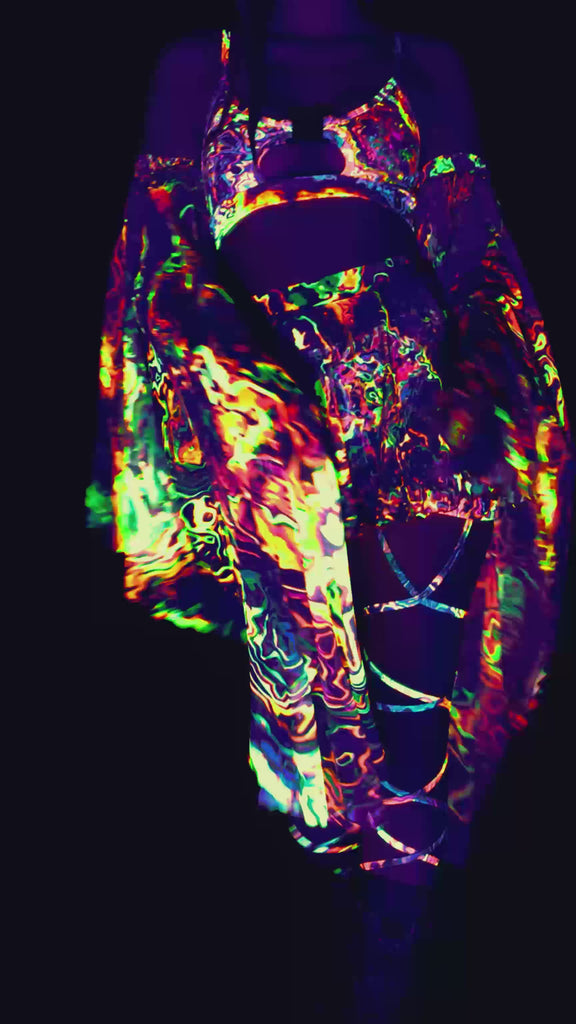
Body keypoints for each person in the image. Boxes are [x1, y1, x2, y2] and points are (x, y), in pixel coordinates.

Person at [85, 0, 574, 960]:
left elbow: (473, 247)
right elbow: (162, 247)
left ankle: (391, 962)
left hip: (407, 390)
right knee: (327, 715)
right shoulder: (198, 67)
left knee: (414, 730)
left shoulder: (424, 64)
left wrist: (479, 372)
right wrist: (236, 365)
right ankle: (331, 943)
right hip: (265, 421)